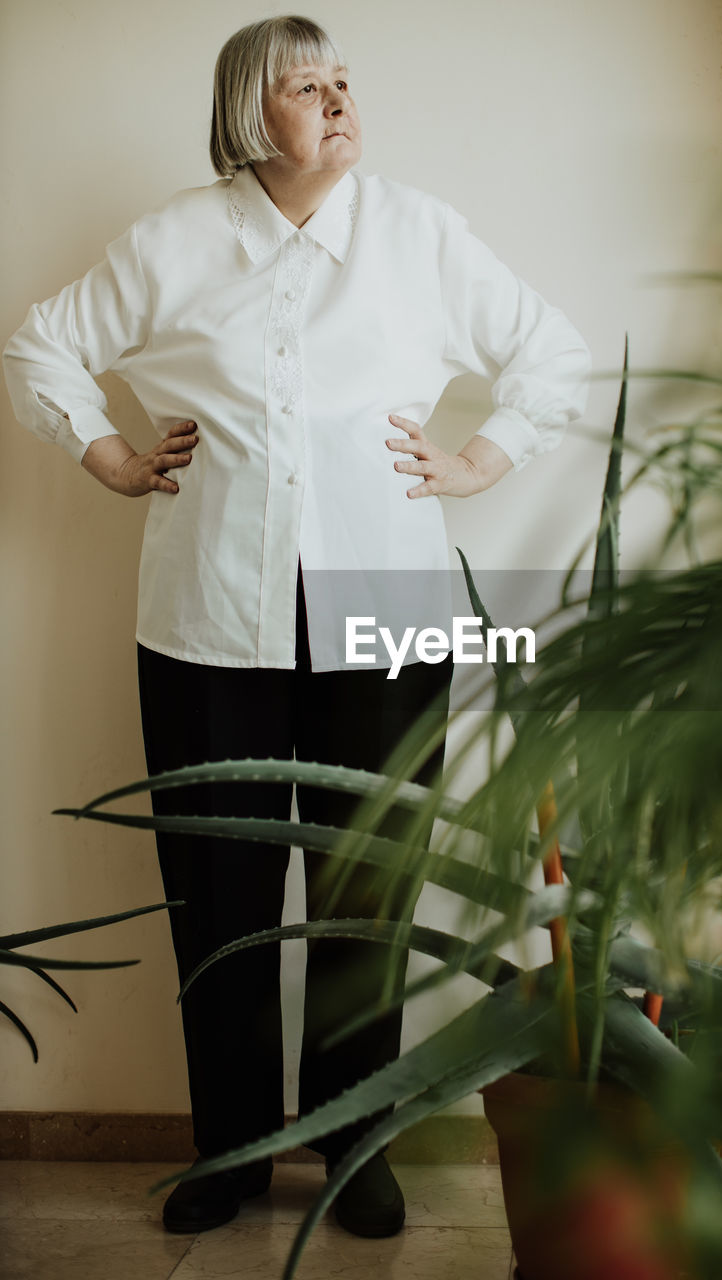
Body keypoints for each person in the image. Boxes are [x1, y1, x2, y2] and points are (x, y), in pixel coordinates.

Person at [3, 14, 590, 1241]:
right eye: (302, 85)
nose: (335, 100)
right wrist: (106, 451)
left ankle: (350, 1143)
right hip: (209, 616)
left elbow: (553, 356)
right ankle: (225, 1150)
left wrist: (480, 457)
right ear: (242, 114)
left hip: (388, 617)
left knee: (366, 893)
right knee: (215, 897)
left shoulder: (421, 234)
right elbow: (41, 346)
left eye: (341, 80)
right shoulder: (171, 242)